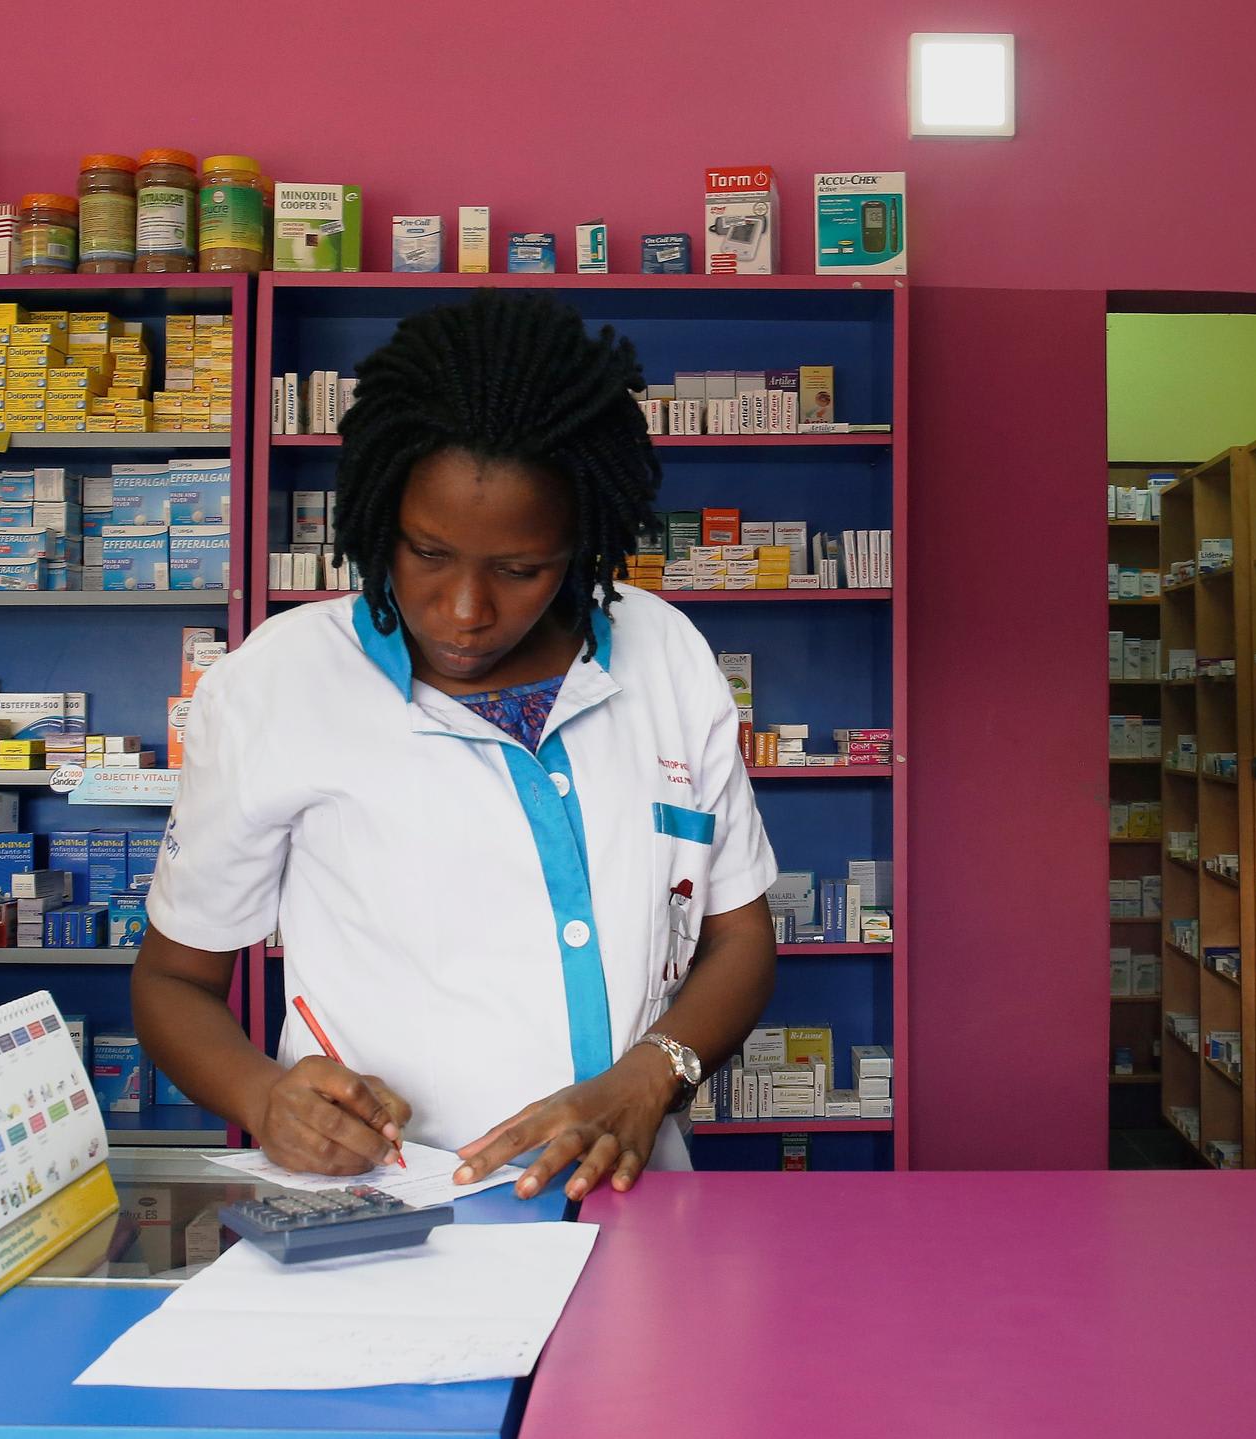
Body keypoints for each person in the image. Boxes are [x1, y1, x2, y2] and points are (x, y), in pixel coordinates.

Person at [132, 289, 776, 1201]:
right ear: (377, 515)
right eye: (428, 554)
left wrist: (651, 1075)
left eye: (519, 570)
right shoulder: (278, 684)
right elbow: (171, 982)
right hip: (382, 1219)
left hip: (637, 1206)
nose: (466, 611)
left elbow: (741, 937)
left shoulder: (665, 654)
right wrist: (266, 1096)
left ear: (581, 541)